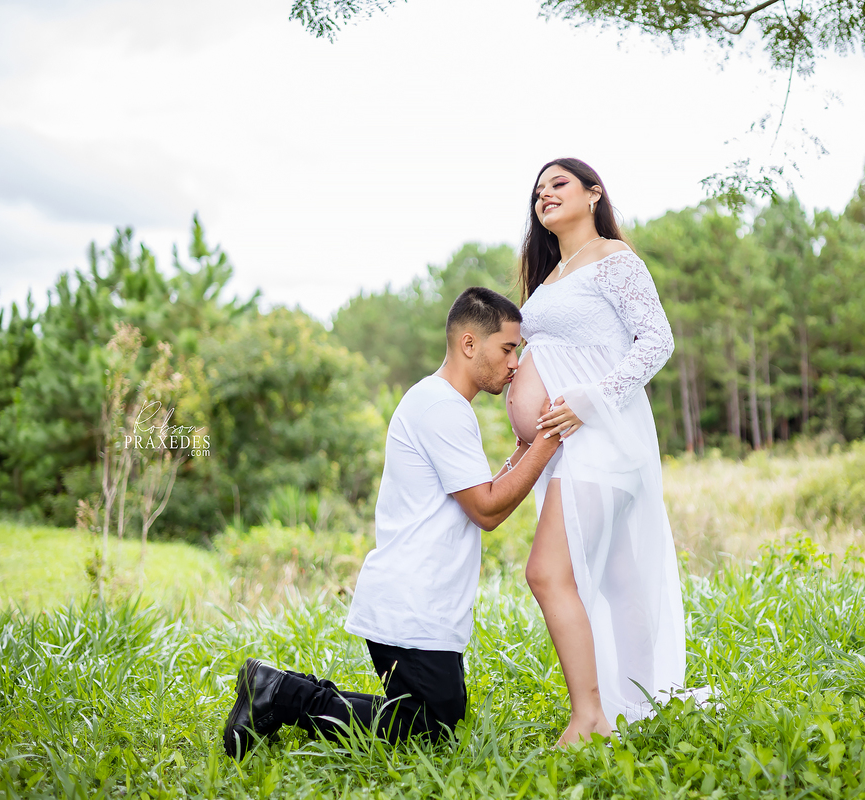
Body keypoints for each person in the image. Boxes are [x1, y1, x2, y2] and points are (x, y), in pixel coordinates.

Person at [223, 287, 561, 758]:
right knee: (431, 731)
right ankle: (280, 694)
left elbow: (482, 494)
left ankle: (277, 688)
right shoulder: (442, 408)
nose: (515, 364)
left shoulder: (440, 403)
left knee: (432, 720)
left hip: (421, 603)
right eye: (508, 348)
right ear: (469, 344)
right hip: (413, 604)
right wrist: (549, 439)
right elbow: (486, 509)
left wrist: (526, 450)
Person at [504, 158, 687, 745]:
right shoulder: (551, 277)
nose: (545, 196)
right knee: (617, 580)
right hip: (564, 451)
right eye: (537, 192)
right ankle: (642, 707)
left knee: (546, 571)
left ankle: (590, 719)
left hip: (604, 440)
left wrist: (591, 400)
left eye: (558, 185)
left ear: (593, 193)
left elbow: (657, 340)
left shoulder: (614, 259)